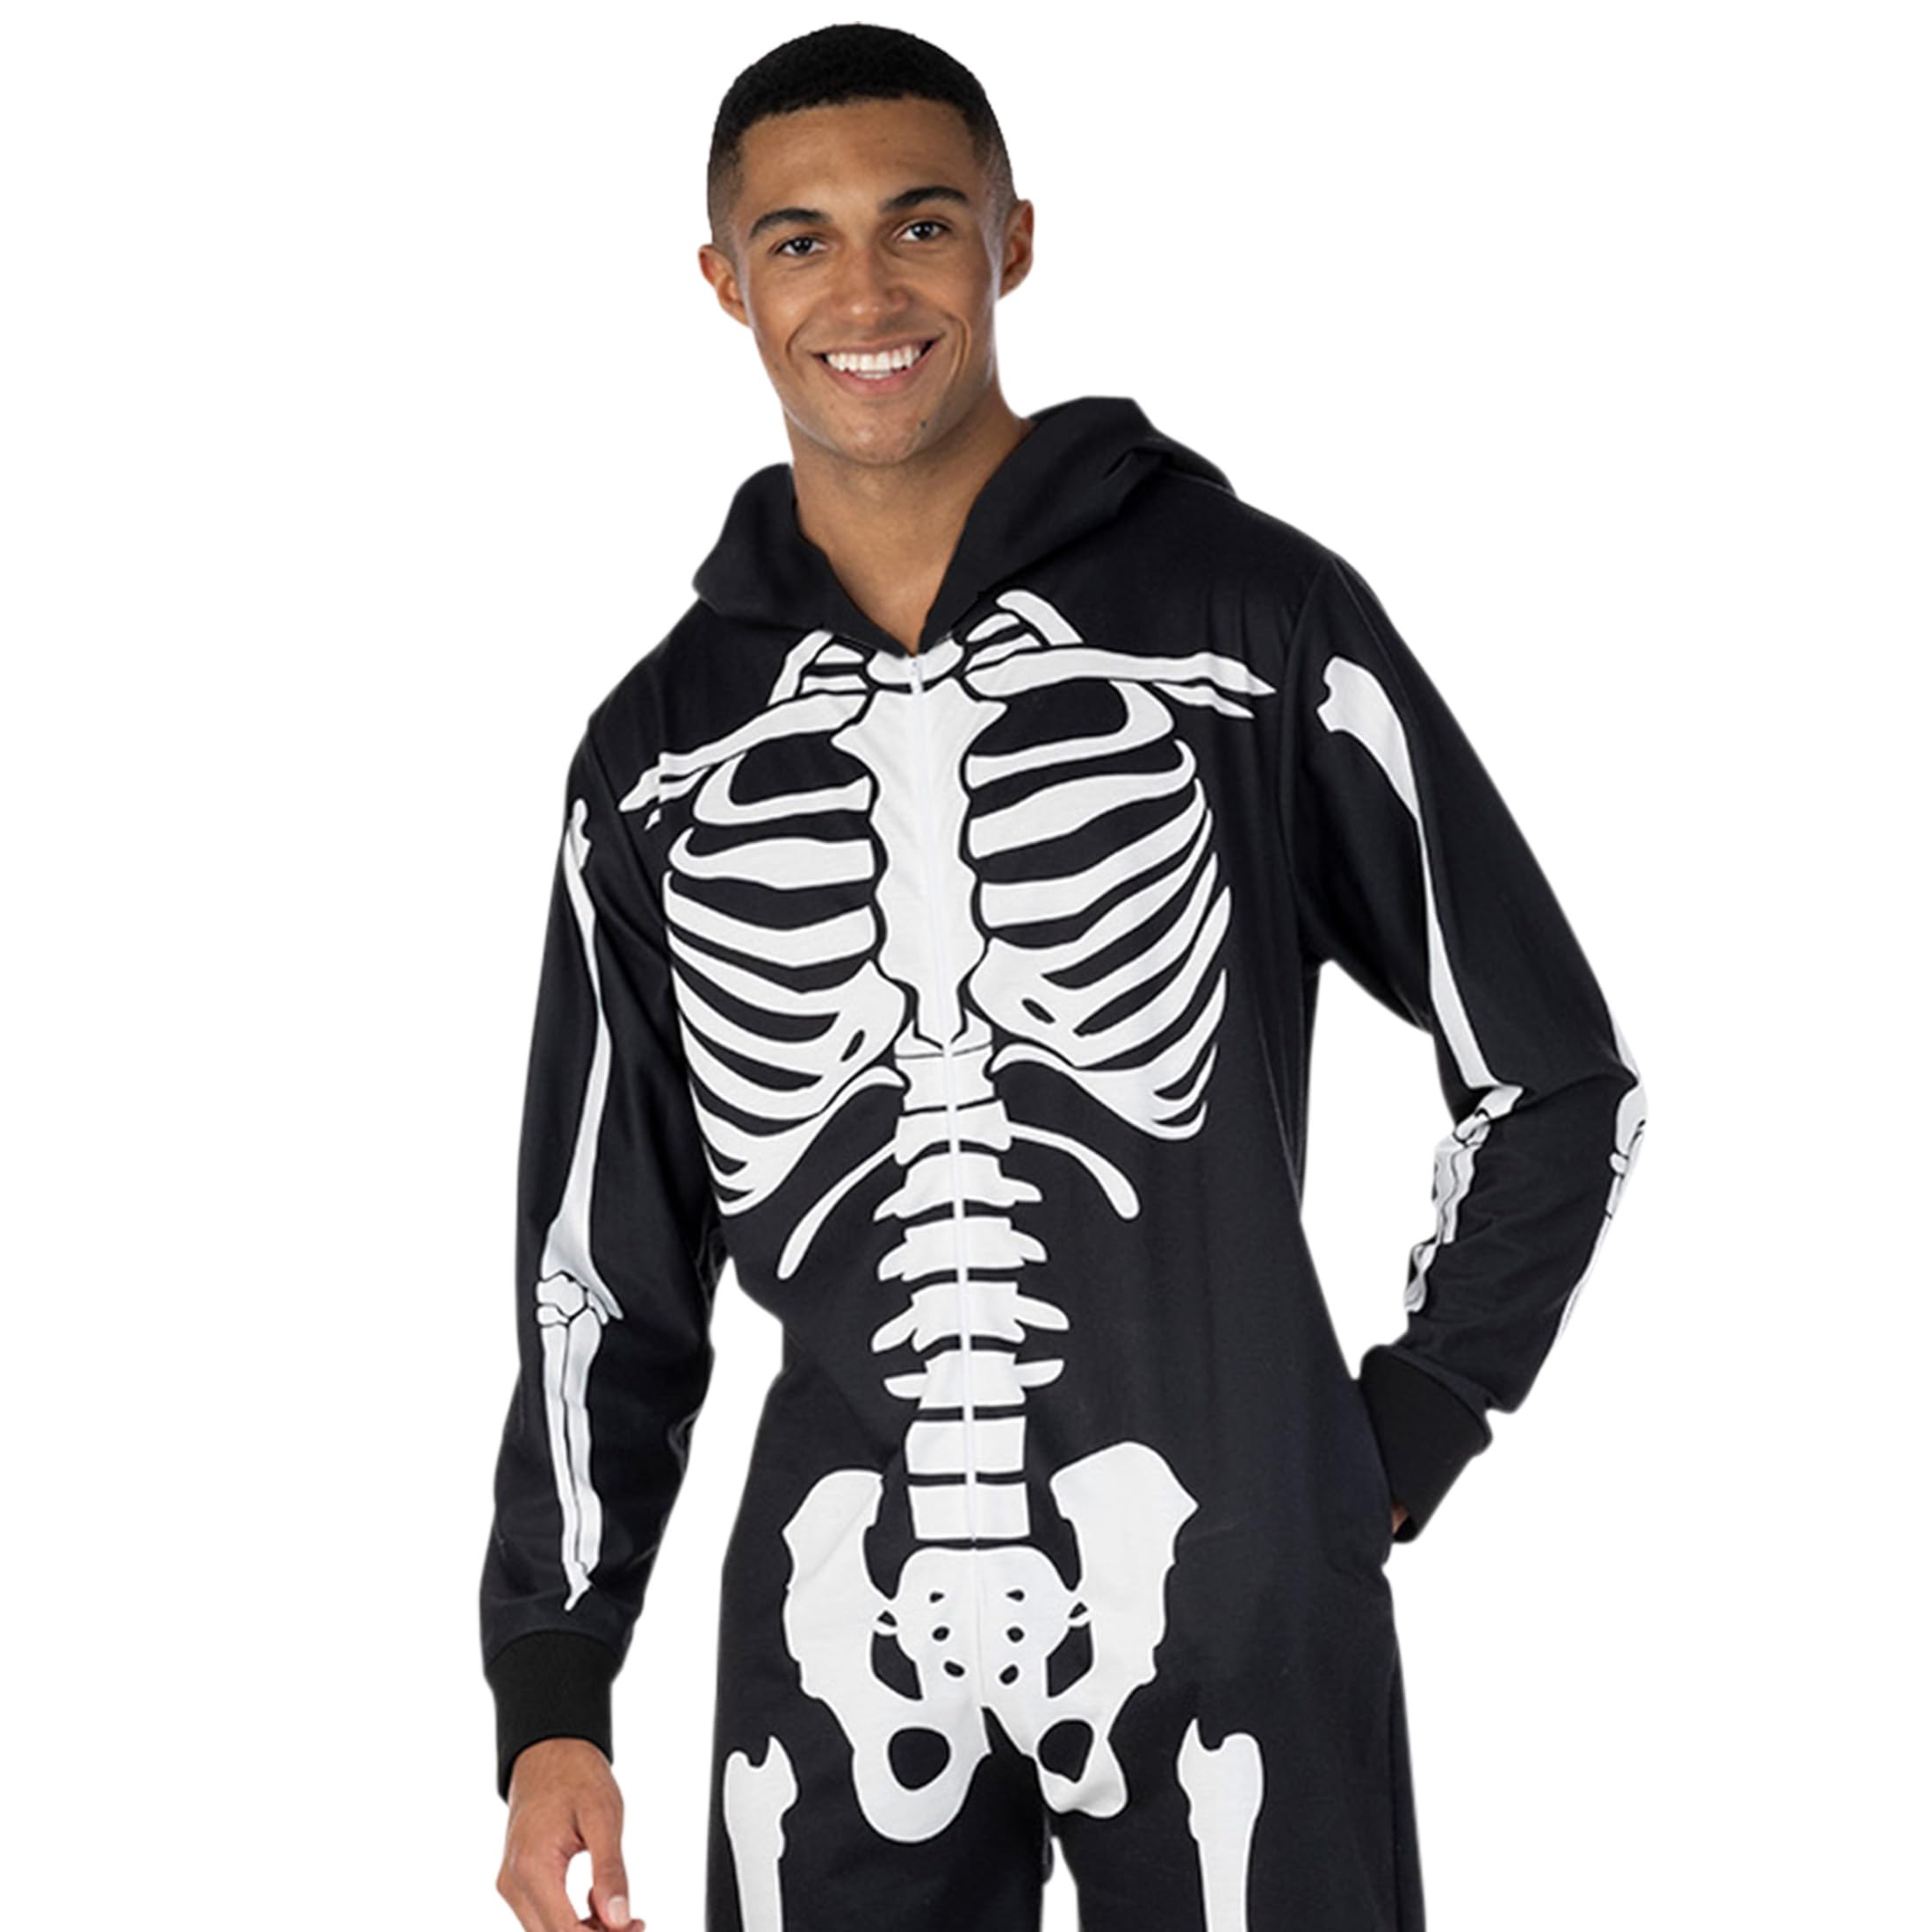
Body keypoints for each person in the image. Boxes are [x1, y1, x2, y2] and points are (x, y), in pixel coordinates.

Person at [480, 23, 1647, 1932]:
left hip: (1228, 1561)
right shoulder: (657, 748)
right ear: (724, 282)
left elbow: (1549, 1075)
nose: (866, 291)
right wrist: (552, 1683)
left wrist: (1417, 1415)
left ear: (1011, 240)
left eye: (920, 224)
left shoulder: (1249, 620)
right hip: (836, 1596)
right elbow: (604, 1261)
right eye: (798, 241)